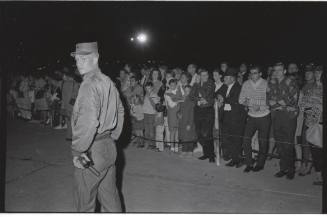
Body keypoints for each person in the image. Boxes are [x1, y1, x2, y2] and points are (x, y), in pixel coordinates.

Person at [70, 42, 124, 212]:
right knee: (110, 199)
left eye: (84, 58)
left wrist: (78, 151)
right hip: (108, 147)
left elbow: (88, 122)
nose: (79, 63)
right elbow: (121, 111)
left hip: (91, 151)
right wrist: (112, 137)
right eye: (77, 59)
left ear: (96, 58)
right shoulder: (108, 81)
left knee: (85, 203)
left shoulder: (88, 85)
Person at [267, 62, 299, 180]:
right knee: (280, 143)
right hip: (276, 115)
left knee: (288, 144)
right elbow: (268, 100)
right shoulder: (272, 82)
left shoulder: (291, 82)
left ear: (284, 71)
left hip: (288, 116)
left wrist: (279, 102)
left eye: (280, 70)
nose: (277, 72)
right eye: (275, 70)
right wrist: (279, 103)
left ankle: (291, 169)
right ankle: (283, 168)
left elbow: (293, 101)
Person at [239, 65, 271, 172]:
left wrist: (260, 106)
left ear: (260, 74)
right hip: (251, 116)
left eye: (255, 73)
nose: (253, 75)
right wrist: (247, 103)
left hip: (264, 116)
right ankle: (249, 163)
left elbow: (270, 101)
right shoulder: (246, 84)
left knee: (263, 142)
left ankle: (260, 164)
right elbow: (241, 100)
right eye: (252, 73)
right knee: (246, 140)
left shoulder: (266, 83)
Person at [217, 68, 246, 167]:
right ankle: (234, 158)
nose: (224, 79)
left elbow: (234, 101)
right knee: (228, 139)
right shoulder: (224, 86)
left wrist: (223, 100)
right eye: (224, 77)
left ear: (233, 79)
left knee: (236, 139)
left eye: (226, 77)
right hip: (226, 118)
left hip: (236, 119)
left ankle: (238, 159)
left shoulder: (239, 88)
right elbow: (216, 93)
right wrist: (219, 96)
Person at [190, 69, 216, 163]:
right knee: (199, 133)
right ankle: (206, 153)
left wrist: (197, 85)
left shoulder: (210, 83)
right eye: (202, 75)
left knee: (207, 133)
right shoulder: (196, 84)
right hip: (198, 110)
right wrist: (199, 99)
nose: (204, 77)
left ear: (208, 76)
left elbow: (206, 94)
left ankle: (211, 155)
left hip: (207, 111)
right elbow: (191, 96)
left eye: (206, 75)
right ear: (199, 76)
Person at [296, 64, 315, 175]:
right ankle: (304, 163)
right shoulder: (304, 86)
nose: (307, 74)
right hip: (304, 116)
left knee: (312, 141)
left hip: (313, 117)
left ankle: (308, 165)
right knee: (304, 141)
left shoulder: (316, 86)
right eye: (306, 73)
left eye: (310, 72)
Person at [59, 67, 80, 140]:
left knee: (69, 121)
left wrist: (63, 106)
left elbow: (63, 96)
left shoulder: (64, 84)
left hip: (67, 105)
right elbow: (76, 95)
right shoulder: (76, 84)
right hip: (73, 105)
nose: (63, 77)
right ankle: (74, 135)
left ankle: (69, 136)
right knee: (74, 121)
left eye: (64, 76)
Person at [165, 78, 184, 152]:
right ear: (169, 85)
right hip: (172, 114)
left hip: (178, 114)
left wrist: (179, 85)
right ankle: (172, 147)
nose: (173, 86)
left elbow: (183, 95)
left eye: (174, 85)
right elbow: (171, 104)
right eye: (171, 85)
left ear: (176, 85)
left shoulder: (178, 90)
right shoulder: (167, 93)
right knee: (172, 132)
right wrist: (179, 100)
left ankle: (176, 146)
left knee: (177, 132)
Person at [178, 85, 196, 157]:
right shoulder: (182, 99)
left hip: (189, 121)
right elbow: (179, 109)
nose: (186, 92)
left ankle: (189, 151)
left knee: (189, 136)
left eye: (188, 91)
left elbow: (192, 113)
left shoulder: (192, 100)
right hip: (182, 121)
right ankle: (185, 150)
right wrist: (178, 114)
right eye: (185, 91)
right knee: (184, 136)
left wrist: (189, 124)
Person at [142, 81, 159, 150]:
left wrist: (150, 98)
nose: (147, 90)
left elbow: (155, 106)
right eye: (146, 88)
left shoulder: (154, 95)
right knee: (146, 130)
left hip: (151, 114)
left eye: (149, 88)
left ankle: (153, 144)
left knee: (152, 130)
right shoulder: (146, 94)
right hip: (145, 114)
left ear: (152, 88)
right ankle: (147, 144)